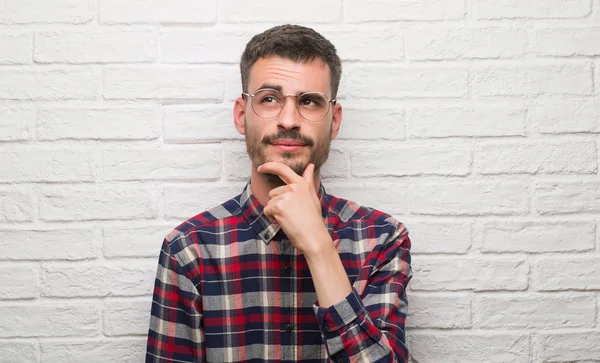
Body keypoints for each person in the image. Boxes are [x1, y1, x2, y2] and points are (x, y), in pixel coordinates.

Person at [146, 24, 412, 363]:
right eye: (269, 99)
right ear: (242, 116)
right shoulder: (189, 249)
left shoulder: (383, 240)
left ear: (334, 120)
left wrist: (319, 247)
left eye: (310, 101)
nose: (289, 119)